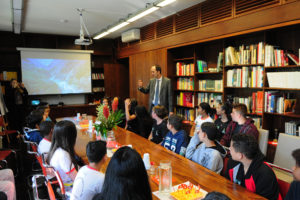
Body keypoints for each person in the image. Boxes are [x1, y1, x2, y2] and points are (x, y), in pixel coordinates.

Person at [225, 134, 281, 200]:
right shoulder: (232, 162)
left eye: (231, 147)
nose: (229, 148)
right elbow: (228, 185)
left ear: (240, 155)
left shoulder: (265, 174)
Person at [47, 120, 78, 195]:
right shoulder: (63, 155)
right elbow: (77, 180)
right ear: (71, 137)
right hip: (70, 190)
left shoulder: (56, 149)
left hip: (64, 186)